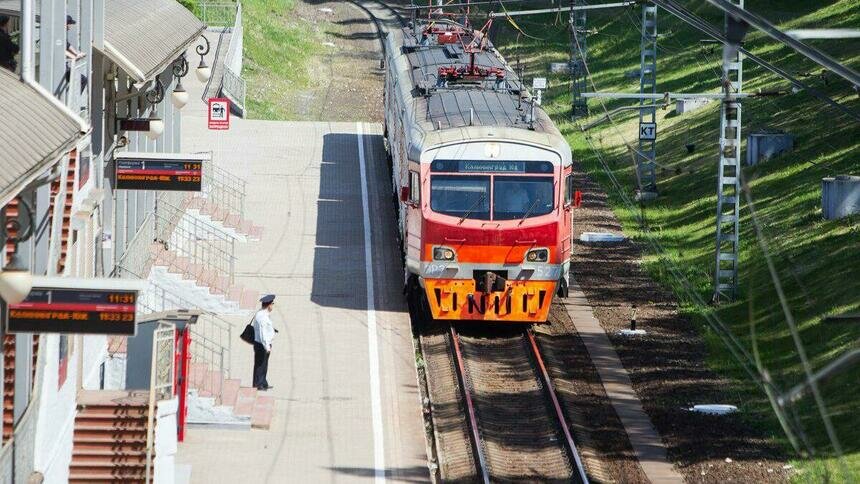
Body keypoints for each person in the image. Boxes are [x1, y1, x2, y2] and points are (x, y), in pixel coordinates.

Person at [252, 294, 277, 390]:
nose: (273, 306)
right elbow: (262, 333)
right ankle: (258, 384)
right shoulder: (262, 316)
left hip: (261, 343)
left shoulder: (262, 314)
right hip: (262, 344)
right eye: (272, 304)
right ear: (269, 305)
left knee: (264, 364)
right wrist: (267, 346)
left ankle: (263, 382)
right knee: (260, 365)